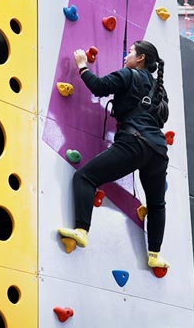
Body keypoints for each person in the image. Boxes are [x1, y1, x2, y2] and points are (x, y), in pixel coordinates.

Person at [58, 40, 170, 269]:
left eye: (130, 52)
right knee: (157, 204)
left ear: (140, 58)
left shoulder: (129, 74)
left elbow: (99, 87)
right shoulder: (159, 89)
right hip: (158, 151)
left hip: (134, 143)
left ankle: (81, 230)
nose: (126, 56)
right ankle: (155, 255)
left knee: (85, 177)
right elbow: (160, 118)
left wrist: (82, 66)